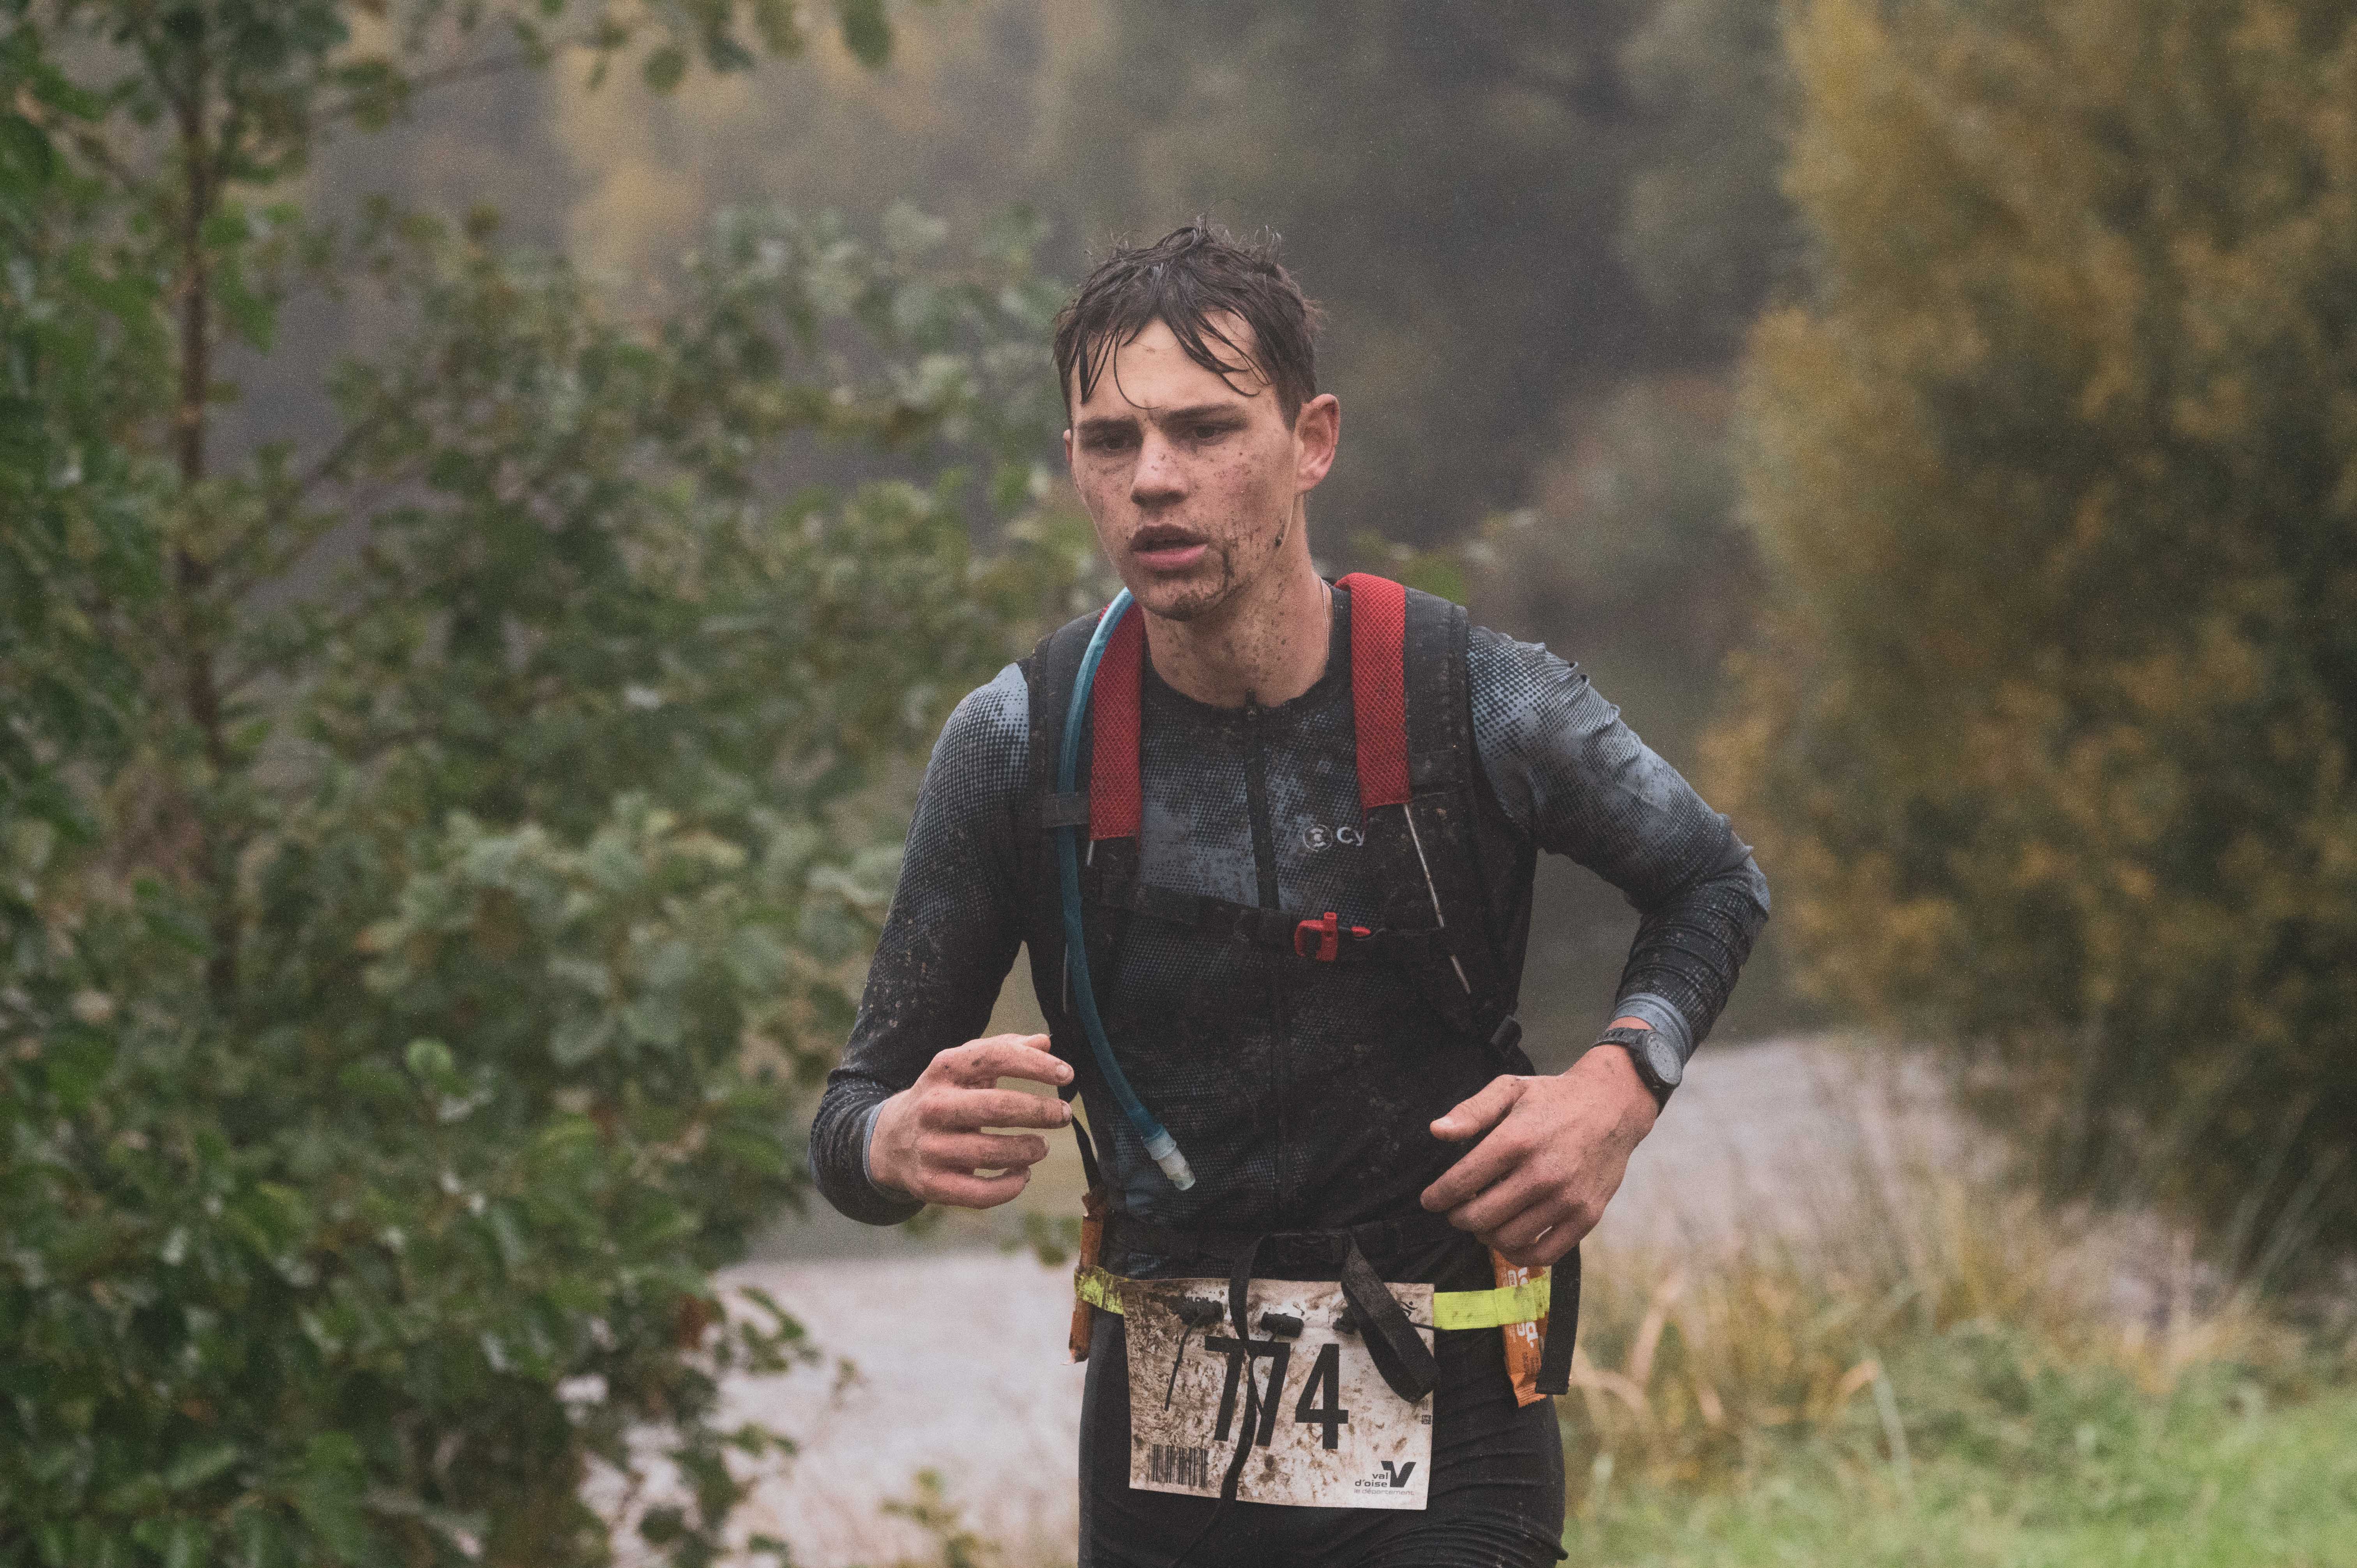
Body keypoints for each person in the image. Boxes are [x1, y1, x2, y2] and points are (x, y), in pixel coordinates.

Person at [809, 226, 1769, 1568]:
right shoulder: (1020, 743)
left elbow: (1713, 880)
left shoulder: (1472, 698)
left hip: (1452, 1410)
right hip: (1163, 1444)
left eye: (1205, 431)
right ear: (1075, 464)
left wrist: (1617, 1088)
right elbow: (848, 1123)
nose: (1154, 480)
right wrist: (893, 1143)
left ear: (1312, 441)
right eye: (1110, 442)